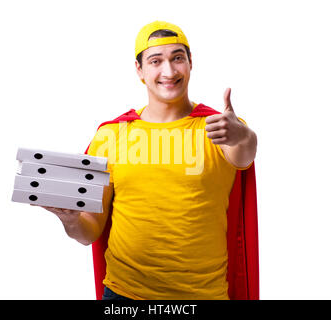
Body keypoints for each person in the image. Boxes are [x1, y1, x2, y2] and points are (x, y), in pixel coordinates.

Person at [39, 21, 258, 300]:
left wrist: (242, 133)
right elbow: (89, 231)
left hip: (203, 295)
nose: (169, 71)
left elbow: (245, 153)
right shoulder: (111, 136)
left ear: (191, 63)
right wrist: (70, 220)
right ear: (140, 70)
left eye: (177, 58)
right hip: (124, 296)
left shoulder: (219, 129)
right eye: (156, 61)